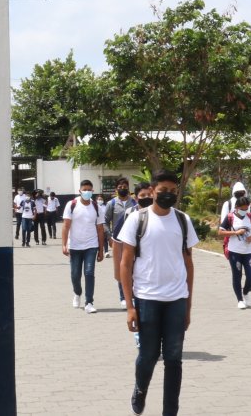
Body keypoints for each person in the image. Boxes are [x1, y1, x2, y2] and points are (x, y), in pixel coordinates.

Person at [118, 171, 198, 416]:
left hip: (176, 299)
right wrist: (130, 306)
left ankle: (170, 411)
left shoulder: (183, 220)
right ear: (152, 191)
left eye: (173, 191)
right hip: (147, 299)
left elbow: (188, 264)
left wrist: (188, 306)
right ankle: (140, 388)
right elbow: (125, 263)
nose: (168, 195)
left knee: (174, 359)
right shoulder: (137, 219)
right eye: (163, 190)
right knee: (148, 355)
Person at [62, 179, 105, 313]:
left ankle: (89, 302)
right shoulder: (72, 204)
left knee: (89, 273)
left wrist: (101, 249)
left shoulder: (96, 207)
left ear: (92, 191)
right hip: (75, 246)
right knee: (75, 275)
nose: (86, 192)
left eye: (89, 190)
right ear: (80, 191)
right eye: (84, 189)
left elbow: (100, 229)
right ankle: (77, 292)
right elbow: (66, 225)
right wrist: (64, 244)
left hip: (91, 246)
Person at [218, 195, 251, 309]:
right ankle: (240, 299)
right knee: (237, 275)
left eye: (246, 209)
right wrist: (236, 233)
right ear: (237, 207)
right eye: (243, 209)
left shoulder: (250, 217)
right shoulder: (230, 217)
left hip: (249, 251)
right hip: (235, 251)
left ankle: (245, 292)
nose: (245, 211)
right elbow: (220, 232)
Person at [104, 179, 135, 269]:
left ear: (128, 188)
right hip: (117, 239)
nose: (123, 189)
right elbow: (105, 222)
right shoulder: (111, 203)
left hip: (132, 238)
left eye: (125, 187)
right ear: (116, 189)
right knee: (121, 267)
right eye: (120, 187)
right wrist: (109, 237)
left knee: (132, 265)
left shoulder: (134, 203)